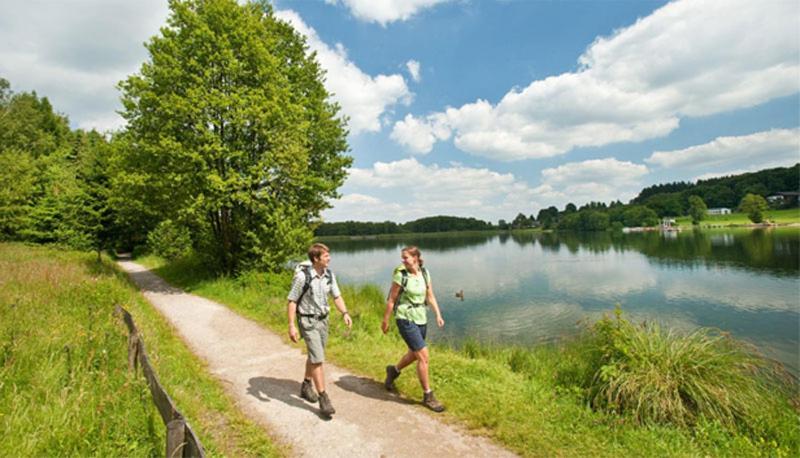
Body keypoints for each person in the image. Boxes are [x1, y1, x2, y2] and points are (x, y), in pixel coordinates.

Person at [287, 243, 352, 417]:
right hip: (307, 321)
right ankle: (324, 397)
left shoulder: (330, 275)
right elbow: (292, 300)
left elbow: (336, 296)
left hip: (323, 321)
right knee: (317, 359)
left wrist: (345, 312)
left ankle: (306, 384)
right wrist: (292, 325)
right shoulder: (302, 277)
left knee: (315, 355)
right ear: (316, 259)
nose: (329, 258)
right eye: (325, 256)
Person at [381, 245, 446, 412]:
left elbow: (430, 296)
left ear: (416, 258)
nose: (403, 260)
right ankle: (428, 395)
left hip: (421, 317)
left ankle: (393, 371)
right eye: (402, 257)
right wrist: (386, 320)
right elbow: (391, 300)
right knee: (423, 356)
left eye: (406, 257)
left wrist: (438, 314)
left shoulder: (425, 273)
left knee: (413, 354)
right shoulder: (400, 275)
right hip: (405, 317)